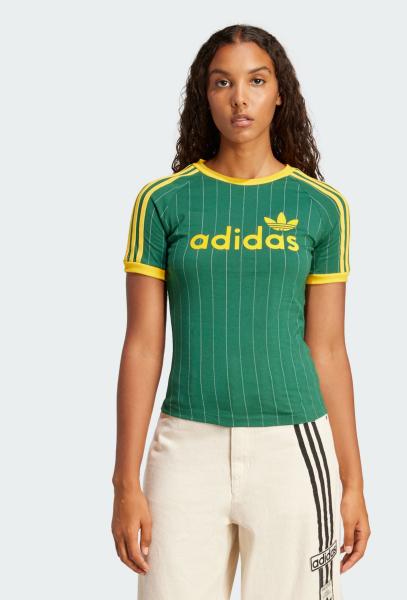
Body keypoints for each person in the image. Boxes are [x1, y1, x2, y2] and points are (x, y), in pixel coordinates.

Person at [111, 24, 370, 600]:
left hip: (293, 448)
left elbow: (329, 349)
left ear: (280, 94)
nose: (240, 98)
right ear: (204, 96)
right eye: (222, 83)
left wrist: (352, 482)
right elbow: (143, 345)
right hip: (185, 448)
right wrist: (125, 481)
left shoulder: (320, 206)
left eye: (256, 81)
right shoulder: (163, 203)